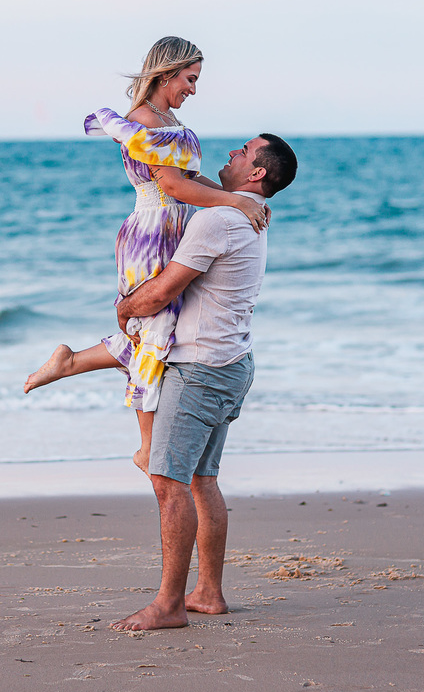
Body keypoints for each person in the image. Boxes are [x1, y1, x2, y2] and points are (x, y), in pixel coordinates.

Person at [23, 37, 268, 474]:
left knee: (158, 330)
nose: (193, 88)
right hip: (153, 230)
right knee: (153, 330)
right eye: (190, 79)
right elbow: (172, 187)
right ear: (166, 73)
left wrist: (241, 199)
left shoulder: (166, 118)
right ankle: (146, 444)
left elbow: (191, 182)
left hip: (172, 225)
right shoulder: (143, 120)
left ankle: (71, 361)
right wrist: (234, 202)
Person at [106, 132, 298, 631]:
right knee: (201, 480)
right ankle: (208, 593)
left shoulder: (219, 218)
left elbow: (165, 287)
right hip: (231, 364)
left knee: (169, 484)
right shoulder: (249, 215)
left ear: (256, 172)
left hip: (199, 371)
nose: (232, 152)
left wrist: (126, 308)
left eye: (243, 152)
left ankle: (169, 605)